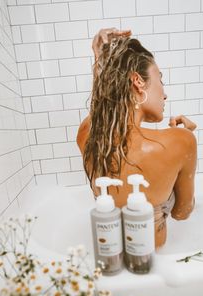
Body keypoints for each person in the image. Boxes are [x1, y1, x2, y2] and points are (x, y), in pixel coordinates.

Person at [77, 28, 197, 248]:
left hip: (109, 252)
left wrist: (101, 64)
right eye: (160, 79)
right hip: (150, 259)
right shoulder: (180, 142)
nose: (165, 93)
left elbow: (100, 117)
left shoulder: (87, 137)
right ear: (138, 82)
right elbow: (182, 213)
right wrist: (186, 140)